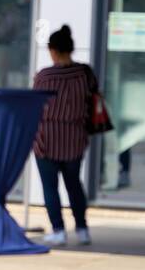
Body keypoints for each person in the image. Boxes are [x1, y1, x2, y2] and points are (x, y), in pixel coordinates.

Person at [32, 24, 97, 246]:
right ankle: (82, 229)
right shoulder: (85, 73)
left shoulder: (44, 76)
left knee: (50, 187)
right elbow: (94, 100)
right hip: (74, 138)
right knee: (74, 185)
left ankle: (58, 230)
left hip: (46, 139)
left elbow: (35, 106)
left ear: (53, 50)